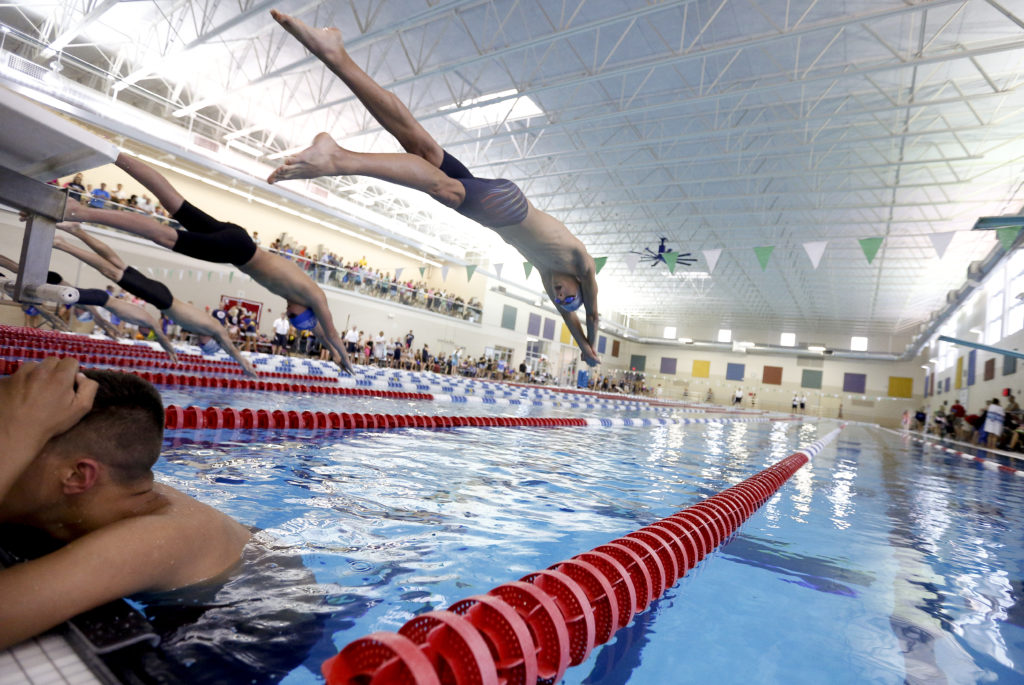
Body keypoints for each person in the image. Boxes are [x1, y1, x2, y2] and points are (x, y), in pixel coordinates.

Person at [268, 10, 600, 366]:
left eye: (561, 299)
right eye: (569, 296)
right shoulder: (580, 262)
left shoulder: (548, 274)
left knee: (421, 146)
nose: (560, 296)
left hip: (497, 207)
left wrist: (580, 347)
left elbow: (569, 316)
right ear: (580, 285)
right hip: (506, 207)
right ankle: (339, 159)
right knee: (443, 189)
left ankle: (334, 54)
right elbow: (593, 315)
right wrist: (592, 341)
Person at [0, 359, 252, 649]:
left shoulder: (152, 539)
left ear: (77, 475)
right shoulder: (110, 493)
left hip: (248, 618)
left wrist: (16, 434)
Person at [56, 154, 353, 374]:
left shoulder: (301, 296)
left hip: (240, 240)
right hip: (236, 250)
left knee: (175, 203)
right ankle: (81, 212)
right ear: (308, 313)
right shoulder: (316, 297)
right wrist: (347, 362)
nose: (289, 315)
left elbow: (323, 337)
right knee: (163, 236)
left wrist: (336, 358)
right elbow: (332, 335)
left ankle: (114, 155)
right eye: (295, 317)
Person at [51, 224, 258, 378]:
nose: (199, 342)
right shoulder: (215, 329)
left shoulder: (202, 329)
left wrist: (168, 348)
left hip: (162, 297)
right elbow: (231, 348)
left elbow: (162, 334)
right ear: (212, 342)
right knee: (112, 270)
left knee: (116, 265)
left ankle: (76, 233)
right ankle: (65, 243)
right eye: (204, 345)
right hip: (162, 298)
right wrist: (243, 364)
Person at [0, 255, 178, 362]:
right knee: (69, 294)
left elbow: (103, 320)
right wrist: (170, 351)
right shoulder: (150, 320)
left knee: (23, 273)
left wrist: (110, 330)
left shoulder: (144, 321)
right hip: (101, 298)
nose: (142, 332)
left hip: (98, 299)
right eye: (145, 333)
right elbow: (162, 337)